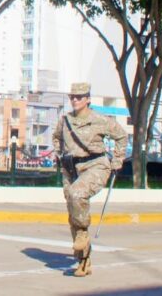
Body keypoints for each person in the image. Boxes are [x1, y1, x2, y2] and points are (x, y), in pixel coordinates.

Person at [51, 82, 127, 278]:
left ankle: (83, 233)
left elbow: (121, 136)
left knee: (77, 195)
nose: (75, 100)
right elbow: (56, 138)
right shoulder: (65, 120)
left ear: (88, 99)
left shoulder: (100, 119)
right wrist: (59, 154)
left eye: (79, 97)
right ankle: (84, 261)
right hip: (71, 168)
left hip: (95, 165)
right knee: (73, 212)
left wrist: (117, 160)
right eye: (72, 97)